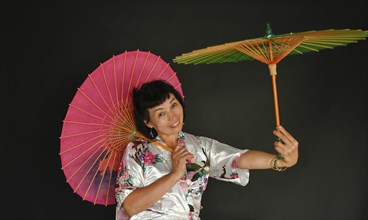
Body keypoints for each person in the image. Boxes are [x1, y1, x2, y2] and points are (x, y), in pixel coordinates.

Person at [115, 80, 299, 219]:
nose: (172, 116)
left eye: (174, 105)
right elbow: (130, 206)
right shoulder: (137, 150)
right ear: (148, 122)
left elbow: (237, 158)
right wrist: (174, 174)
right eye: (161, 113)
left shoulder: (198, 145)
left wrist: (280, 161)